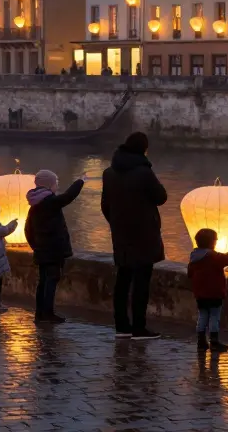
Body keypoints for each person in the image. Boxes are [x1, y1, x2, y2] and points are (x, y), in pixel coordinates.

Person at [101, 131, 167, 340]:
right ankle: (139, 327)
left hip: (121, 234)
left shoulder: (108, 173)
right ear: (143, 150)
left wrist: (117, 223)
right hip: (144, 234)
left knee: (122, 279)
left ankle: (122, 326)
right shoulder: (144, 172)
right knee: (141, 282)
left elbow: (105, 206)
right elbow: (161, 197)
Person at [25, 169, 85, 323]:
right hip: (53, 249)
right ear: (49, 185)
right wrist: (80, 181)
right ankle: (47, 314)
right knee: (51, 280)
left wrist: (36, 246)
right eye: (56, 183)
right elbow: (68, 197)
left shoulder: (35, 204)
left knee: (43, 281)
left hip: (42, 249)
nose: (57, 186)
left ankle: (40, 314)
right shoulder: (50, 202)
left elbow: (28, 230)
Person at [187, 228, 228, 353]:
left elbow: (189, 274)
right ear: (212, 242)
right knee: (214, 316)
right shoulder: (213, 256)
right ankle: (214, 342)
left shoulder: (194, 257)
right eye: (215, 240)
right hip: (214, 293)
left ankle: (201, 341)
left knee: (203, 315)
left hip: (200, 294)